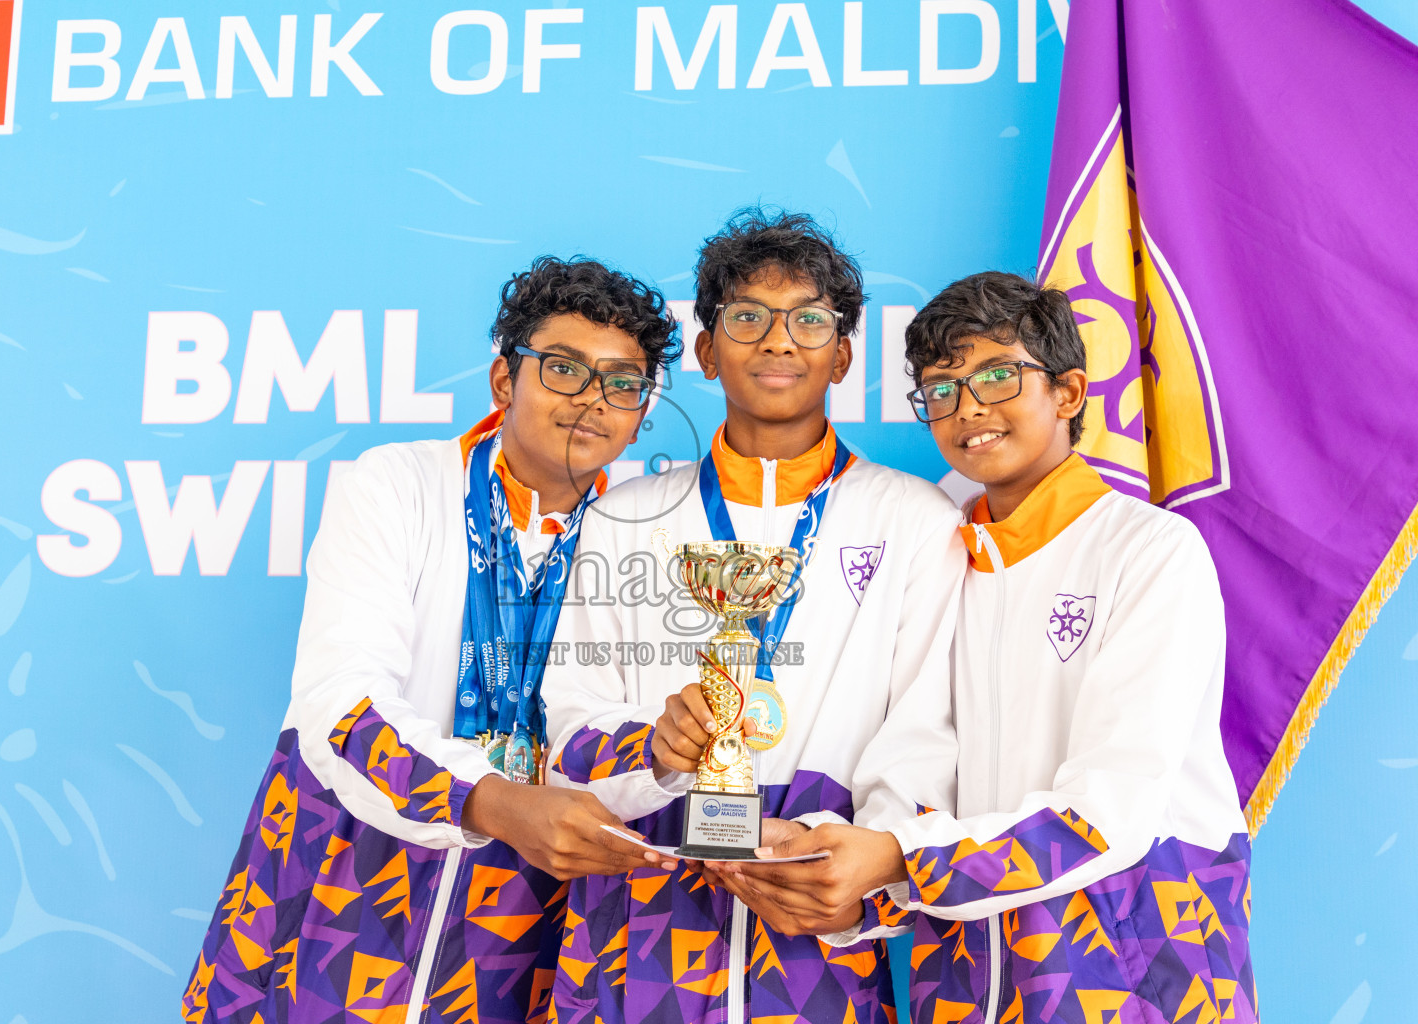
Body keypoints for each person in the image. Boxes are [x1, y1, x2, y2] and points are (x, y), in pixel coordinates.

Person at [711, 272, 1256, 1024]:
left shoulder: (1150, 551)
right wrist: (846, 859)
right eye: (941, 389)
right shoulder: (939, 549)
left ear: (1066, 393)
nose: (969, 408)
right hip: (966, 975)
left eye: (998, 376)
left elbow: (1113, 808)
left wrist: (903, 857)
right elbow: (915, 754)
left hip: (1137, 958)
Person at [182, 256, 684, 1024]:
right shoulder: (396, 484)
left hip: (516, 908)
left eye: (622, 383)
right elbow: (338, 705)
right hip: (341, 869)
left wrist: (661, 755)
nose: (593, 401)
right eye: (563, 369)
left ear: (641, 413)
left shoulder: (641, 539)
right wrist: (492, 801)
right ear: (503, 381)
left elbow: (604, 724)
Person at [540, 209, 965, 1024]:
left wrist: (864, 867)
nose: (779, 340)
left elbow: (929, 730)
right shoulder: (623, 515)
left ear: (843, 354)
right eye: (747, 318)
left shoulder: (914, 520)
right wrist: (652, 747)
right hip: (637, 925)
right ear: (706, 350)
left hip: (815, 927)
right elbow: (567, 723)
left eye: (809, 320)